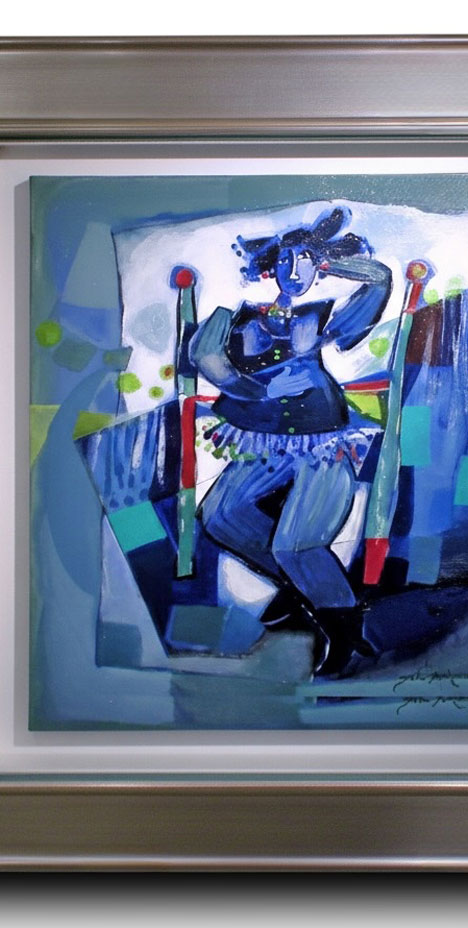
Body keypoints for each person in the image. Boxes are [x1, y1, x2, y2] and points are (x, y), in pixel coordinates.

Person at [189, 206, 392, 675]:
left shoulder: (321, 318)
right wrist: (258, 390)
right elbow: (205, 355)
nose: (295, 270)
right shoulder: (241, 317)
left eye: (305, 261)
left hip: (324, 444)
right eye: (286, 259)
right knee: (221, 517)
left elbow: (379, 280)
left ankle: (343, 631)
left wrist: (329, 261)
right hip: (265, 443)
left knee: (296, 545)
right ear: (271, 265)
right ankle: (306, 589)